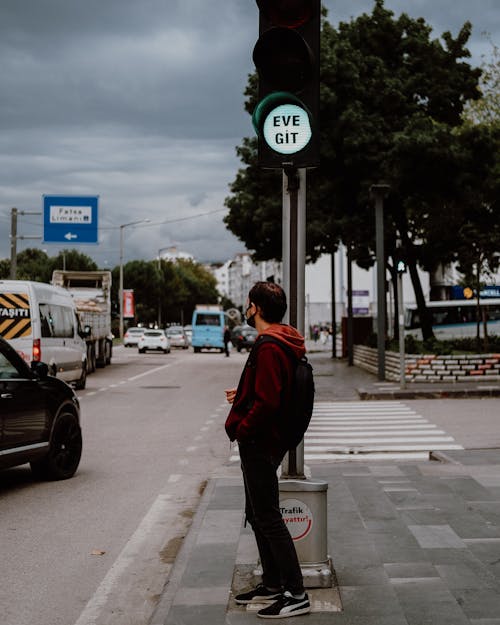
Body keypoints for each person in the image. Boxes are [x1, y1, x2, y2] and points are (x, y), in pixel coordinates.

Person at [225, 282, 310, 619]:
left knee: (269, 517)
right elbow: (269, 390)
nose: (246, 309)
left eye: (248, 304)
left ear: (256, 308)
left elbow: (269, 402)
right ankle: (273, 583)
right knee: (257, 514)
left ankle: (296, 593)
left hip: (260, 442)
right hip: (264, 440)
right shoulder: (279, 340)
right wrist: (243, 394)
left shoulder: (269, 346)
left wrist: (243, 430)